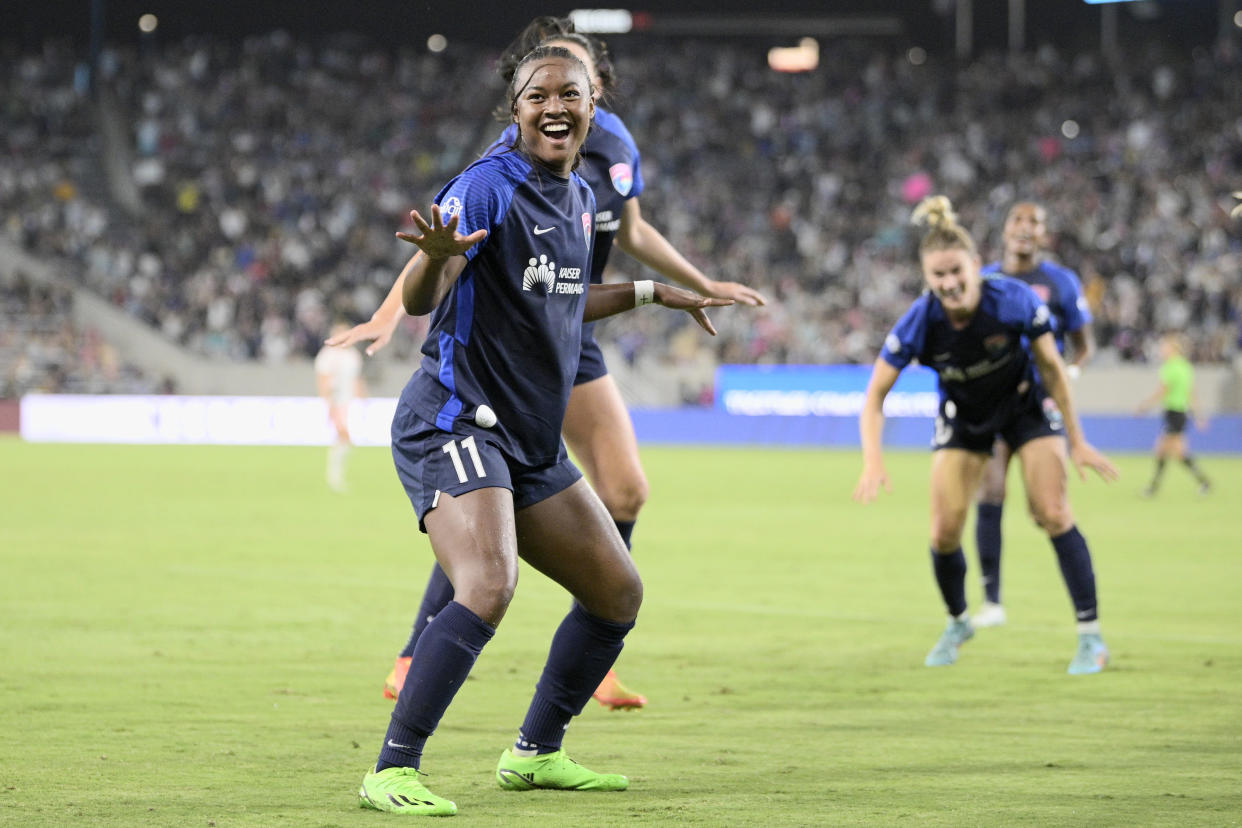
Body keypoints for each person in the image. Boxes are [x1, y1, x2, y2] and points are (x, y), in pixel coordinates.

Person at [329, 16, 767, 711]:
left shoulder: (611, 152)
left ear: (596, 93)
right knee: (485, 510)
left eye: (574, 84)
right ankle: (418, 653)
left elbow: (636, 231)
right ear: (521, 98)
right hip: (509, 328)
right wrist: (390, 311)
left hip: (574, 313)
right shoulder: (502, 161)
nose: (557, 101)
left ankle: (596, 633)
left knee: (625, 491)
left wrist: (696, 285)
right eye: (542, 86)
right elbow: (443, 246)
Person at [852, 195, 1118, 675]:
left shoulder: (1012, 299)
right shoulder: (920, 322)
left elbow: (1054, 370)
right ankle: (958, 622)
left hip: (1026, 407)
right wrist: (873, 459)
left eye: (957, 271)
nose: (950, 283)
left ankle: (1091, 637)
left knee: (1052, 511)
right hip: (965, 417)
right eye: (939, 276)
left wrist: (1076, 439)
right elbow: (873, 398)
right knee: (943, 531)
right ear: (927, 279)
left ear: (976, 265)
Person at [971, 202, 1093, 628]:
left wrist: (1070, 375)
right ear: (1005, 230)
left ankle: (1086, 620)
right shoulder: (982, 280)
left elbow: (1083, 343)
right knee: (990, 491)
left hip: (1039, 402)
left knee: (1048, 510)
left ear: (1044, 234)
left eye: (1034, 223)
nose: (1025, 229)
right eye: (1018, 221)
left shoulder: (1060, 281)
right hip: (991, 402)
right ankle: (992, 602)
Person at [1136, 332, 1212, 497]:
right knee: (1176, 452)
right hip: (1181, 414)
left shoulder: (1170, 368)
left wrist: (1144, 406)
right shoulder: (1185, 366)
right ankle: (1203, 482)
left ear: (1173, 349)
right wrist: (1199, 415)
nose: (1162, 351)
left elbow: (1163, 391)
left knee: (1163, 450)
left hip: (1174, 413)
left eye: (1164, 347)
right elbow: (1191, 393)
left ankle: (1153, 488)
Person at [314, 321, 365, 493]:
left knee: (344, 439)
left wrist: (363, 397)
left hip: (349, 402)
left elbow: (356, 378)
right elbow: (323, 379)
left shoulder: (352, 355)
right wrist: (328, 403)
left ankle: (336, 476)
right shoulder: (328, 355)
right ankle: (334, 477)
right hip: (336, 402)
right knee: (343, 436)